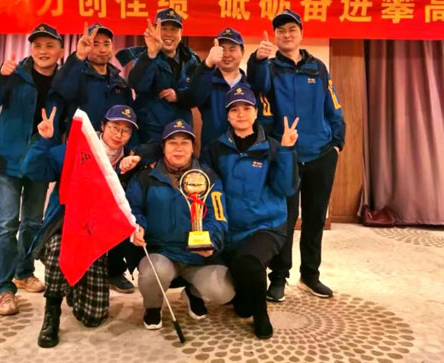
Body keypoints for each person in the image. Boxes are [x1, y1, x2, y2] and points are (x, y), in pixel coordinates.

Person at [22, 104, 142, 348]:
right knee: (59, 251)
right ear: (102, 126)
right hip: (64, 227)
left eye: (126, 130)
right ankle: (52, 309)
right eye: (114, 127)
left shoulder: (130, 162)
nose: (119, 134)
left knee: (93, 317)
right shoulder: (76, 149)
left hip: (97, 238)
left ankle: (74, 286)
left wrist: (135, 162)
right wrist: (43, 141)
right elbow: (33, 170)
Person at [247, 9, 346, 301]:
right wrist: (257, 59)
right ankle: (279, 277)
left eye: (292, 29)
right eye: (280, 31)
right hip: (285, 156)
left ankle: (310, 276)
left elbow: (333, 107)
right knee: (285, 219)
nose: (286, 35)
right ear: (275, 36)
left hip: (320, 154)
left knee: (314, 219)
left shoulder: (318, 68)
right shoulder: (269, 67)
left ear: (301, 33)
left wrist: (336, 143)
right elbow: (257, 84)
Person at [0, 23, 64, 316]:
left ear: (60, 50)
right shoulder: (15, 75)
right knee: (6, 227)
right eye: (37, 46)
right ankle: (4, 288)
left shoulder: (63, 83)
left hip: (39, 162)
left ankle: (23, 272)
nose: (43, 51)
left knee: (33, 223)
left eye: (49, 46)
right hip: (7, 161)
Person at [201, 85, 299, 339]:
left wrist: (287, 150)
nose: (241, 114)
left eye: (247, 108)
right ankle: (246, 300)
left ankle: (261, 314)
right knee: (235, 297)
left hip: (265, 225)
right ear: (227, 115)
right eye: (234, 110)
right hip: (229, 228)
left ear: (256, 113)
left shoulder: (273, 147)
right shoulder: (214, 149)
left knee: (249, 263)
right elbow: (209, 190)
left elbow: (286, 188)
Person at [48, 22, 137, 292]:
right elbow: (60, 91)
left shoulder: (119, 82)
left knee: (116, 209)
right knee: (77, 214)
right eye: (95, 43)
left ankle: (114, 270)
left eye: (106, 43)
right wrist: (78, 57)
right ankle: (74, 267)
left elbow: (129, 118)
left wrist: (132, 150)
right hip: (82, 155)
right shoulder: (76, 73)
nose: (100, 48)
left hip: (113, 155)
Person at [126, 120, 234, 329]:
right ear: (163, 147)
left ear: (193, 147)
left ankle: (193, 293)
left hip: (197, 257)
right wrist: (138, 226)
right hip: (161, 253)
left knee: (224, 291)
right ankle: (153, 307)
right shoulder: (145, 177)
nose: (179, 148)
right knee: (153, 274)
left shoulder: (208, 177)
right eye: (172, 143)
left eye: (185, 143)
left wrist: (212, 241)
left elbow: (218, 216)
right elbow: (133, 208)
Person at [119, 9, 200, 143]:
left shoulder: (191, 60)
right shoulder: (145, 56)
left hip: (181, 131)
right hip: (149, 133)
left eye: (174, 29)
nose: (169, 34)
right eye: (164, 28)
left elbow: (197, 96)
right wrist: (151, 54)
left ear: (181, 33)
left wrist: (179, 96)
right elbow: (136, 84)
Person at [191, 27, 274, 149]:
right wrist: (207, 64)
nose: (227, 54)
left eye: (232, 49)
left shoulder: (250, 86)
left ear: (242, 52)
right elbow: (193, 97)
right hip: (213, 152)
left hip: (245, 153)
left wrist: (260, 60)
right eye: (222, 49)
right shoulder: (206, 83)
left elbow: (263, 88)